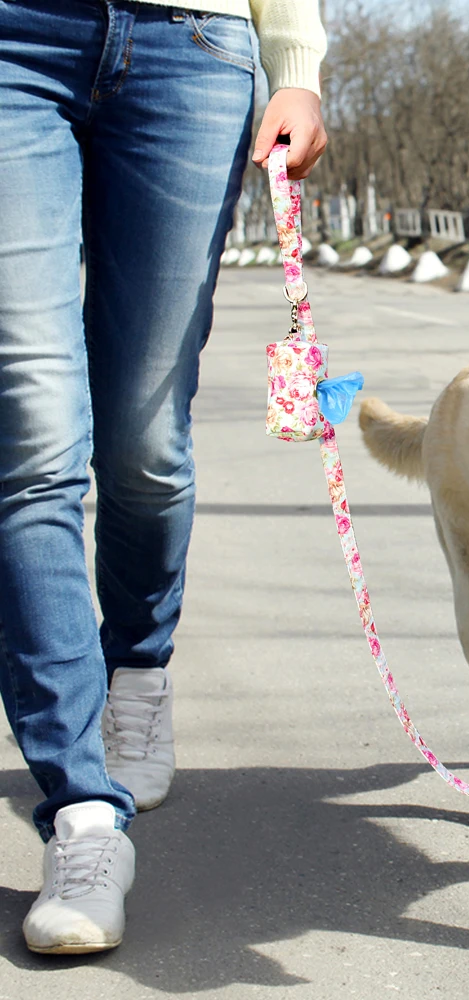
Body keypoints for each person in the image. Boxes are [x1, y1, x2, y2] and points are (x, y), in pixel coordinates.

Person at [0, 0, 327, 953]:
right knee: (30, 428)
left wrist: (296, 64)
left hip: (194, 44)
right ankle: (83, 818)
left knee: (144, 441)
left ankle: (137, 669)